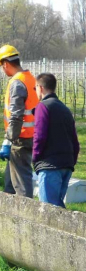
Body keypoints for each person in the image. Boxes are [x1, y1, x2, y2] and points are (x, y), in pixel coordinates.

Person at [0, 45, 38, 198]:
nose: (3, 70)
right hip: (33, 134)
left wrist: (8, 140)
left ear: (6, 64)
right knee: (11, 178)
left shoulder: (17, 83)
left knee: (21, 180)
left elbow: (16, 116)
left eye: (2, 66)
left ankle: (26, 212)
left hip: (21, 138)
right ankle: (8, 207)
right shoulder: (31, 78)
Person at [33, 73, 80, 208]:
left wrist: (35, 157)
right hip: (66, 164)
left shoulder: (43, 107)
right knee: (58, 207)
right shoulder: (64, 109)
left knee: (49, 210)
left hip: (50, 165)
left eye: (35, 88)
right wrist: (71, 161)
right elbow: (74, 140)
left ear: (40, 88)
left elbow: (39, 136)